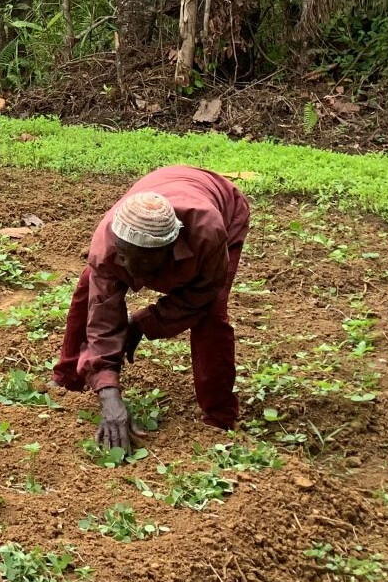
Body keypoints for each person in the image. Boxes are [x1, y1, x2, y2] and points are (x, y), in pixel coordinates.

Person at [51, 166, 251, 453]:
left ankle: (220, 417)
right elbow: (102, 323)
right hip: (166, 185)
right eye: (124, 257)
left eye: (143, 262)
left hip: (223, 204)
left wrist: (143, 323)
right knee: (90, 284)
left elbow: (202, 294)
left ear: (169, 250)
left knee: (212, 315)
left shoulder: (207, 233)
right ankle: (68, 374)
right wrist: (110, 398)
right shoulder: (107, 246)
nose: (131, 270)